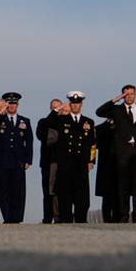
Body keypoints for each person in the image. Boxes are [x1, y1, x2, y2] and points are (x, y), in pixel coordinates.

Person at [94, 84, 136, 223]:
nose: (129, 97)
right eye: (126, 94)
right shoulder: (116, 110)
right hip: (121, 154)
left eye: (132, 94)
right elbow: (99, 112)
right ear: (122, 96)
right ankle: (124, 215)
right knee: (123, 186)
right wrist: (116, 99)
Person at [0, 92, 33, 223]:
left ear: (18, 105)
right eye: (9, 103)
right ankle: (8, 217)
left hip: (18, 161)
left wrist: (28, 160)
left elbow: (29, 141)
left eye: (14, 103)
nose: (12, 106)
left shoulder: (24, 121)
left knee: (18, 191)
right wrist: (0, 112)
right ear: (6, 104)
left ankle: (16, 217)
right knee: (3, 191)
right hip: (1, 161)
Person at [50, 91, 95, 223]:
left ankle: (81, 219)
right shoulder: (61, 119)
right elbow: (47, 122)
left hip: (81, 164)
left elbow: (92, 143)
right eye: (73, 104)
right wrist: (58, 109)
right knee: (65, 195)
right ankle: (66, 219)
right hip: (65, 164)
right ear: (70, 105)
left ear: (81, 105)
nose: (76, 106)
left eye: (78, 104)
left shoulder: (88, 122)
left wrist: (91, 161)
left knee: (82, 195)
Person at [37, 98, 64, 223]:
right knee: (48, 192)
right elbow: (41, 135)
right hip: (48, 162)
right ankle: (47, 218)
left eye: (58, 107)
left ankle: (60, 217)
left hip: (62, 162)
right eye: (54, 108)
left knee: (61, 192)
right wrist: (54, 113)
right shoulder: (44, 122)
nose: (56, 110)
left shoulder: (64, 122)